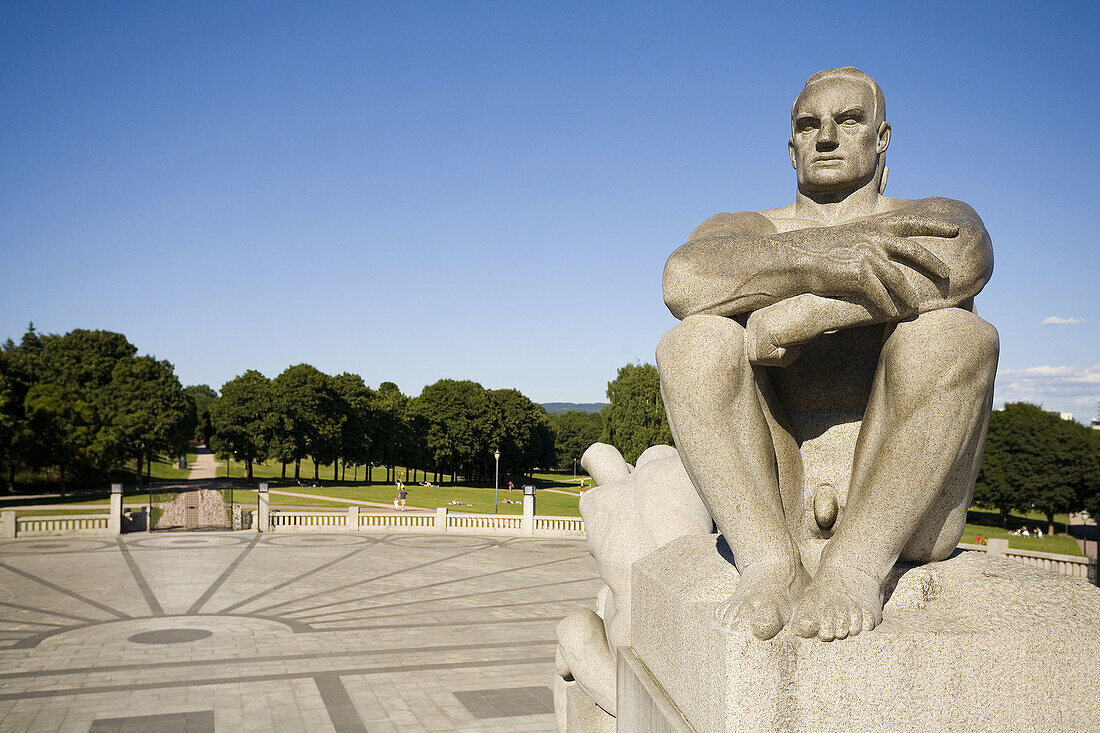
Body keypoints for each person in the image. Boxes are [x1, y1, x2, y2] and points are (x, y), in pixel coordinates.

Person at [657, 67, 998, 641]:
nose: (827, 137)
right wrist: (826, 258)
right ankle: (769, 567)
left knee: (957, 335)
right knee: (692, 343)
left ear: (881, 137)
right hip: (777, 497)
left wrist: (812, 311)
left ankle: (856, 568)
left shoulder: (934, 212)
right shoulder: (744, 226)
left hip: (907, 511)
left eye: (847, 121)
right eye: (809, 125)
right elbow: (683, 280)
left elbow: (965, 258)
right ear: (791, 147)